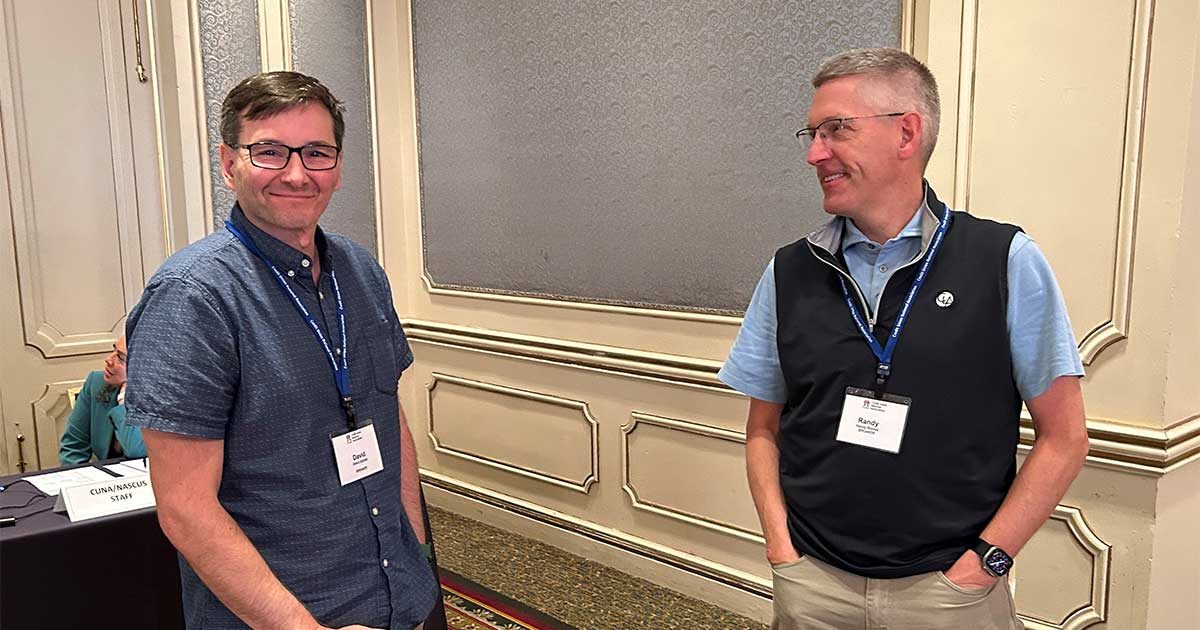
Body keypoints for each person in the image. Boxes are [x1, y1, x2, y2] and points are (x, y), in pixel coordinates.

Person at [719, 48, 1090, 629]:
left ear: (907, 133)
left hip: (949, 594)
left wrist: (984, 565)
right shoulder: (790, 271)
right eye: (813, 134)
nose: (815, 153)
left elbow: (1064, 438)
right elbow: (763, 429)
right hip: (814, 586)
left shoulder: (1003, 261)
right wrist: (781, 550)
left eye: (836, 129)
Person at [124, 71, 437, 629]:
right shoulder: (193, 297)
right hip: (284, 611)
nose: (297, 173)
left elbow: (387, 413)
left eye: (317, 152)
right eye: (270, 151)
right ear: (229, 163)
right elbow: (186, 509)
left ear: (337, 166)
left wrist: (415, 552)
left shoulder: (361, 271)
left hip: (394, 592)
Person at [59, 334, 146, 464]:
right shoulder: (96, 383)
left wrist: (123, 399)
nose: (109, 360)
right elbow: (73, 447)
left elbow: (136, 451)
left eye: (120, 358)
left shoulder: (163, 398)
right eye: (114, 350)